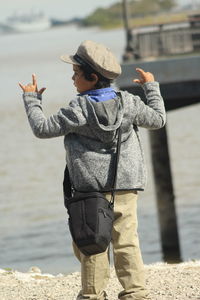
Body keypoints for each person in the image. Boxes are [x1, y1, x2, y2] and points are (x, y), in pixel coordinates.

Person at [19, 40, 166, 300]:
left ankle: (92, 295)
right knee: (127, 240)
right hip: (126, 184)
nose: (72, 78)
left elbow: (42, 129)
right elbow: (158, 120)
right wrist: (151, 87)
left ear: (92, 77)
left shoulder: (79, 109)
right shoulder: (129, 103)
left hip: (90, 189)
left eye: (76, 73)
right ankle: (135, 293)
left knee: (92, 241)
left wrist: (32, 99)